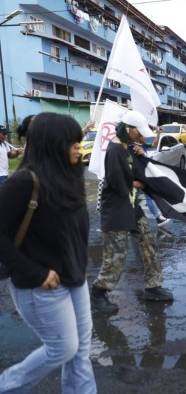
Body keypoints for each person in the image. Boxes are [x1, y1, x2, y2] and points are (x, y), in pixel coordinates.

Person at [0, 113, 96, 393]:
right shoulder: (24, 183)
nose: (78, 147)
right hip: (41, 284)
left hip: (76, 277)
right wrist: (37, 272)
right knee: (62, 348)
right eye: (72, 142)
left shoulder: (71, 177)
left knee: (81, 352)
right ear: (52, 144)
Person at [91, 110, 173, 314]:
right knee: (116, 255)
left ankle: (153, 287)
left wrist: (141, 155)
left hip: (133, 207)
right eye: (138, 132)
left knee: (149, 244)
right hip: (117, 211)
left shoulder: (128, 147)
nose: (141, 136)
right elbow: (118, 183)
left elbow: (138, 170)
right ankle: (99, 293)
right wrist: (134, 183)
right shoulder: (114, 150)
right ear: (128, 129)